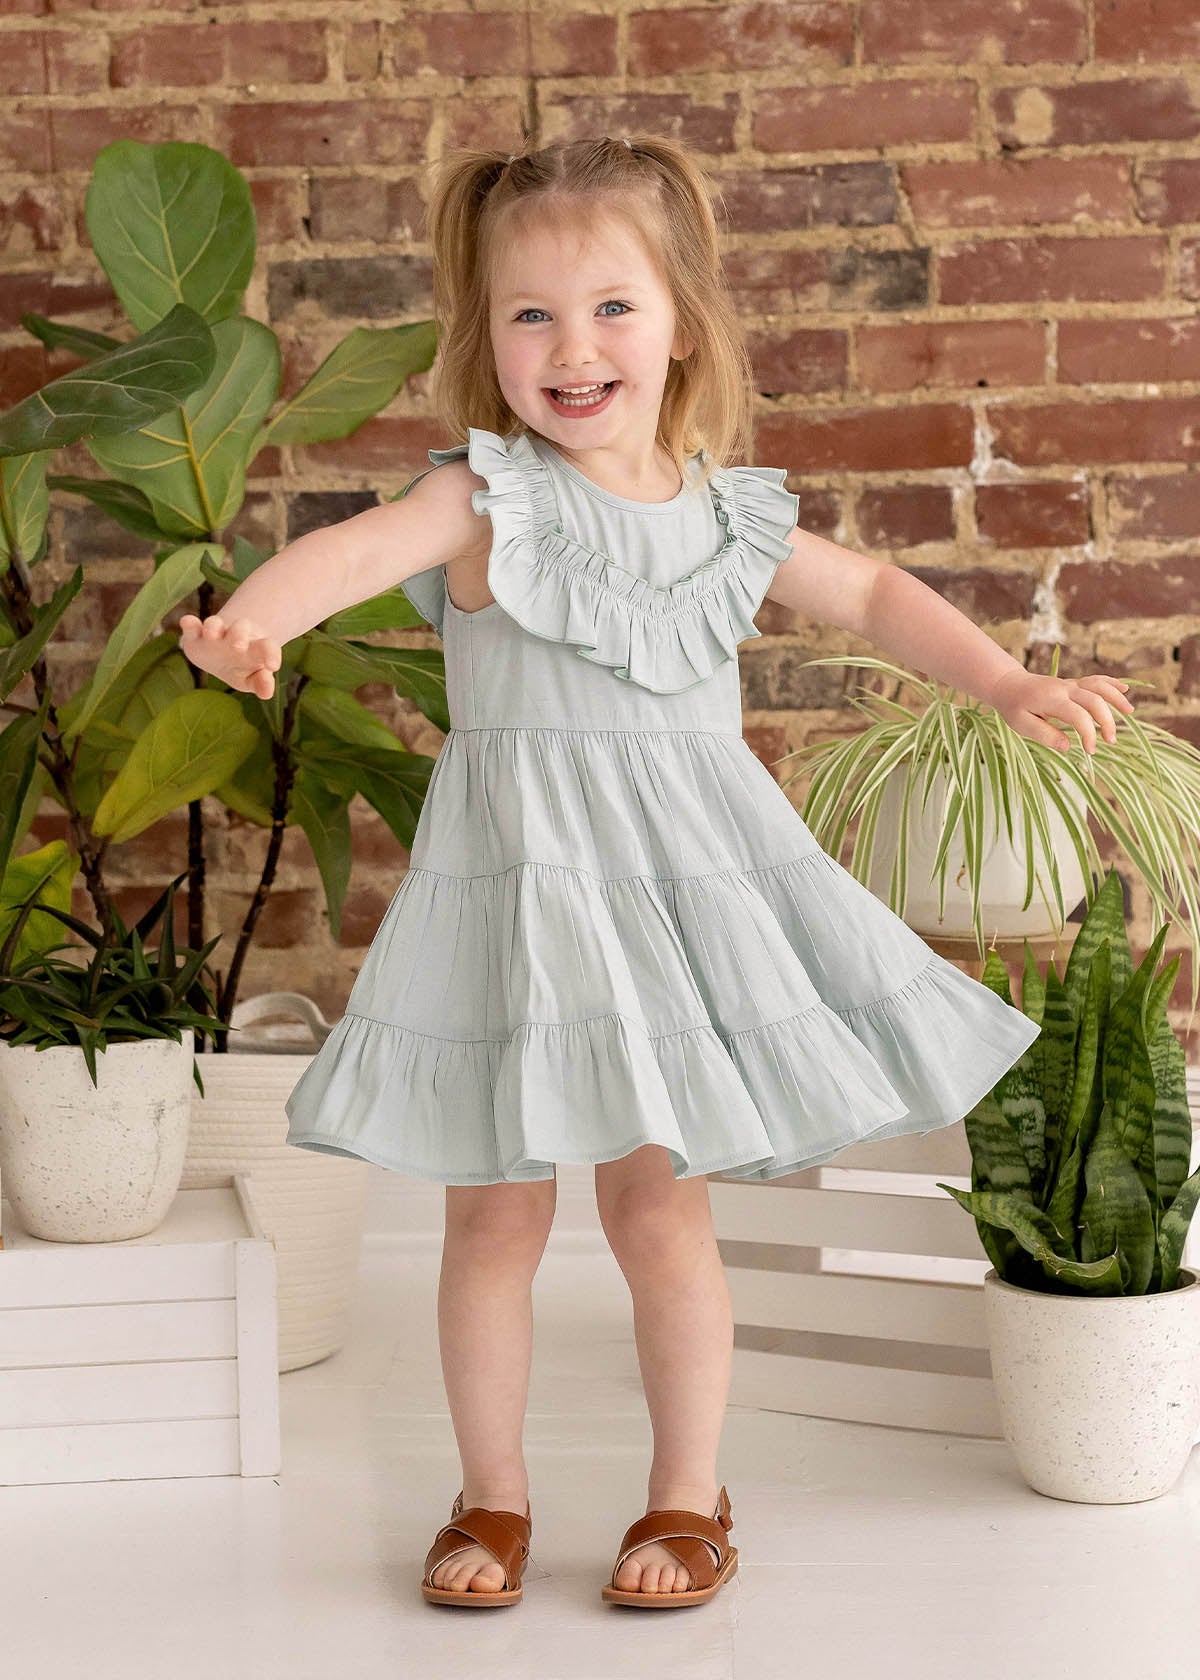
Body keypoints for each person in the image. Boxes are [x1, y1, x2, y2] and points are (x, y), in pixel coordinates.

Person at [180, 134, 1135, 1612]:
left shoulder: (723, 520)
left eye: (612, 308)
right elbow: (346, 552)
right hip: (522, 901)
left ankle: (689, 1494)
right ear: (482, 334)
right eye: (530, 315)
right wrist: (256, 621)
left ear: (681, 318)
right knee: (496, 1211)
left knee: (655, 1209)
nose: (572, 349)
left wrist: (1004, 679)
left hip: (680, 908)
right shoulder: (481, 499)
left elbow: (872, 588)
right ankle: (490, 1498)